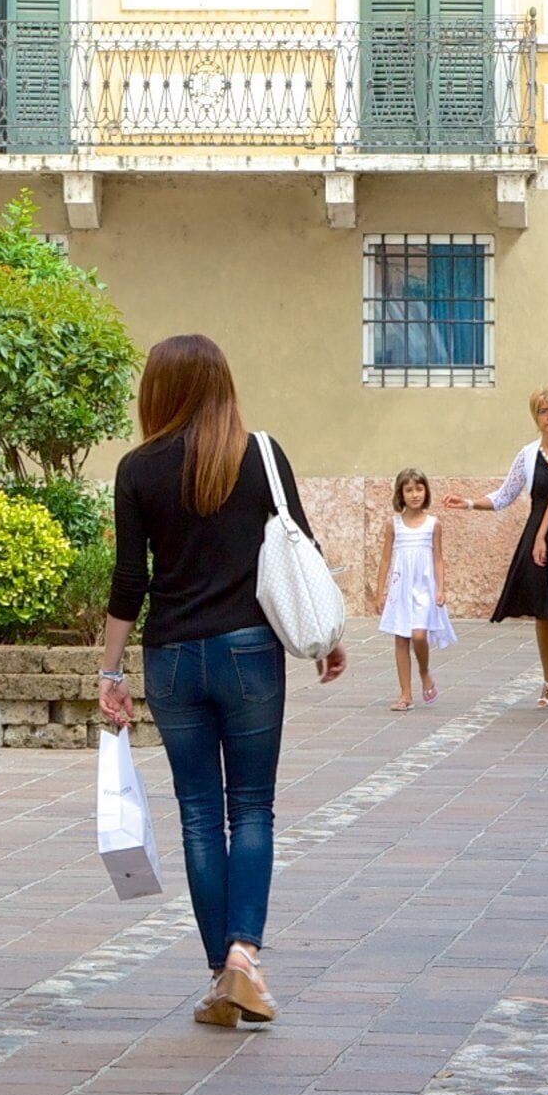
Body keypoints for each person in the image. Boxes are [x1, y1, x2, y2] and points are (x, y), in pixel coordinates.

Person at [98, 336, 343, 1028]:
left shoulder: (137, 469)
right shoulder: (260, 453)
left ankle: (219, 976)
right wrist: (328, 638)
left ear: (158, 392)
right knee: (254, 808)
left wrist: (110, 671)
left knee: (201, 814)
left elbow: (129, 579)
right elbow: (306, 549)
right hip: (249, 652)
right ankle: (243, 957)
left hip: (173, 657)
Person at [470, 388, 548, 709]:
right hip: (537, 538)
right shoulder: (528, 454)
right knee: (544, 613)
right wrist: (470, 503)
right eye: (543, 411)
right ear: (536, 417)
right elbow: (504, 495)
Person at [377, 469, 456, 710]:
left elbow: (438, 559)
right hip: (401, 586)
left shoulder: (433, 524)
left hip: (424, 586)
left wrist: (441, 588)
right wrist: (381, 591)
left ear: (426, 491)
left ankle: (424, 671)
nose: (414, 495)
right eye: (409, 490)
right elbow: (385, 559)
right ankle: (405, 694)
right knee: (401, 637)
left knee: (419, 634)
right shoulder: (394, 524)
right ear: (400, 494)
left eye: (419, 489)